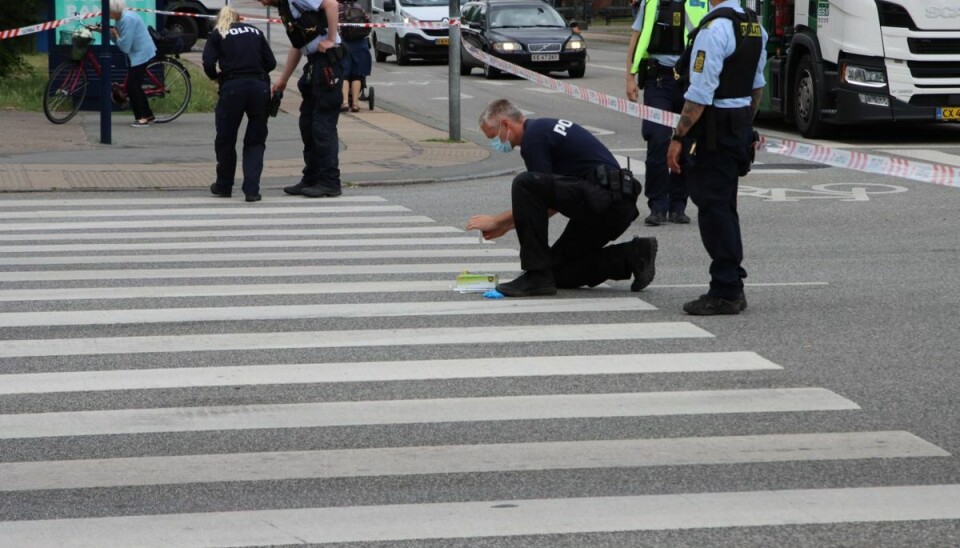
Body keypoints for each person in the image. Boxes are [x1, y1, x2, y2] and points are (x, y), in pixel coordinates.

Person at [467, 99, 658, 298]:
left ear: (506, 124)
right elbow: (546, 199)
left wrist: (497, 221)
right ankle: (633, 255)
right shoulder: (543, 128)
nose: (496, 143)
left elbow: (539, 197)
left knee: (525, 183)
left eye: (494, 136)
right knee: (556, 272)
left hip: (604, 201)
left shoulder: (534, 137)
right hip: (608, 205)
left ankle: (536, 275)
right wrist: (505, 226)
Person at [666, 0, 767, 315]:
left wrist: (678, 137)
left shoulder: (713, 29)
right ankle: (730, 281)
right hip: (736, 125)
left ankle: (725, 289)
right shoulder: (753, 25)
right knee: (725, 206)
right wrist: (745, 126)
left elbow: (699, 93)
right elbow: (757, 87)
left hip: (713, 129)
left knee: (713, 209)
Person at [625, 0, 708, 227]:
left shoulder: (701, 3)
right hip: (658, 80)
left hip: (688, 81)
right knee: (658, 139)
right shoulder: (651, 3)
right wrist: (629, 76)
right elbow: (636, 36)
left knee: (687, 142)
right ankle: (658, 206)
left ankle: (678, 205)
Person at [258, 0, 344, 198]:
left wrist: (331, 39)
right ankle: (312, 177)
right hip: (314, 63)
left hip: (328, 61)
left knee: (322, 125)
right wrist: (283, 79)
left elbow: (331, 4)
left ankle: (330, 181)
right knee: (307, 123)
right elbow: (299, 45)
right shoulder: (285, 7)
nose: (261, 2)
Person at [203, 6, 277, 203]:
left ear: (220, 19)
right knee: (255, 141)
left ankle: (224, 186)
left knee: (226, 139)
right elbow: (271, 63)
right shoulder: (255, 32)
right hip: (259, 88)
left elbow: (208, 62)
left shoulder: (218, 32)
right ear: (239, 18)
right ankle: (252, 190)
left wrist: (217, 77)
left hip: (232, 88)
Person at [109, 0, 156, 128]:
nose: (107, 14)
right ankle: (148, 115)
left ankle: (142, 118)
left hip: (141, 54)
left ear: (115, 11)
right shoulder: (121, 17)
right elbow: (120, 38)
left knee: (132, 86)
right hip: (138, 53)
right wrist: (108, 33)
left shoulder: (127, 20)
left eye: (109, 12)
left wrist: (116, 34)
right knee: (136, 85)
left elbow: (124, 46)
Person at [338, 0, 372, 113]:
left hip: (345, 43)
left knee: (345, 74)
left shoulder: (338, 8)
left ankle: (345, 102)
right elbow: (368, 24)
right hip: (360, 44)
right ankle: (355, 104)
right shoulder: (359, 7)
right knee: (357, 75)